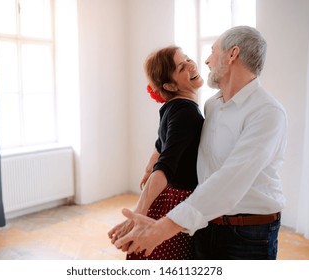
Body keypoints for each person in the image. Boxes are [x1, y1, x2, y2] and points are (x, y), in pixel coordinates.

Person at [113, 26, 288, 260]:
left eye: (213, 52)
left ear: (232, 54)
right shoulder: (212, 106)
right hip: (203, 227)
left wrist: (163, 228)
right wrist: (153, 162)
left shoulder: (267, 112)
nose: (205, 61)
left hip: (247, 235)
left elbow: (229, 180)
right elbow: (170, 142)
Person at [108, 46, 204, 260]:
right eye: (182, 67)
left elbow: (159, 146)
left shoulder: (172, 107)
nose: (191, 64)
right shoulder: (186, 112)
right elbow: (165, 164)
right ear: (170, 85)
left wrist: (148, 168)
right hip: (177, 201)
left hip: (168, 197)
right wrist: (137, 213)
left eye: (187, 58)